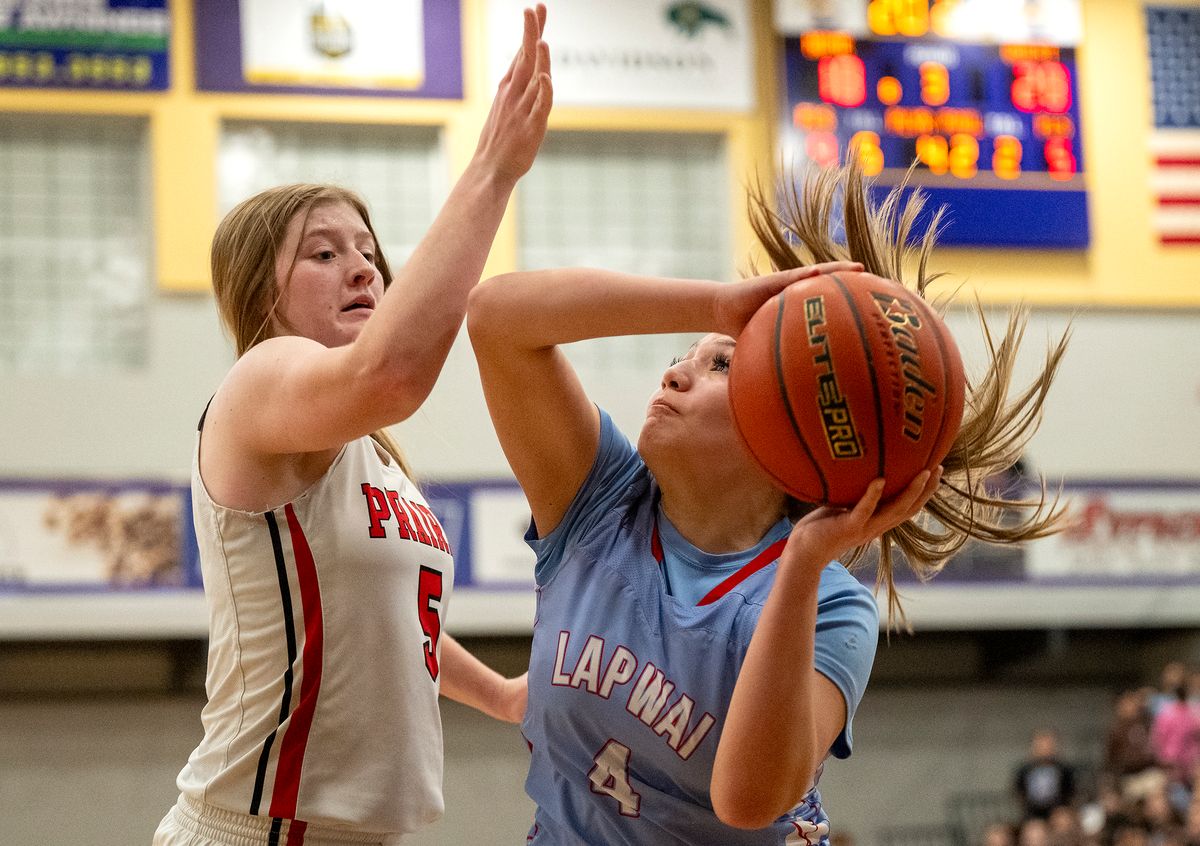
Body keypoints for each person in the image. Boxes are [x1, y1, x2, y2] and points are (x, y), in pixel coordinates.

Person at [466, 157, 1069, 844]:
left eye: (720, 364)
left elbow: (749, 801)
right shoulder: (598, 500)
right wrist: (715, 306)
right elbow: (494, 317)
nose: (676, 372)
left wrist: (804, 564)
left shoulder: (831, 605)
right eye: (684, 355)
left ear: (790, 426)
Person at [152, 6, 552, 845]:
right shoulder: (259, 381)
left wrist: (500, 695)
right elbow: (396, 373)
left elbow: (389, 621)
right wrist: (492, 172)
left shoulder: (368, 450)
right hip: (258, 829)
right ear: (261, 292)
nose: (363, 267)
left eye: (368, 251)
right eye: (324, 253)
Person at [1014, 728, 1078, 823]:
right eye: (1041, 744)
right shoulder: (1024, 771)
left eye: (1048, 744)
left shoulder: (1065, 771)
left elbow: (1071, 793)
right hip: (1032, 812)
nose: (1045, 748)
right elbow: (1019, 793)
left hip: (1059, 811)